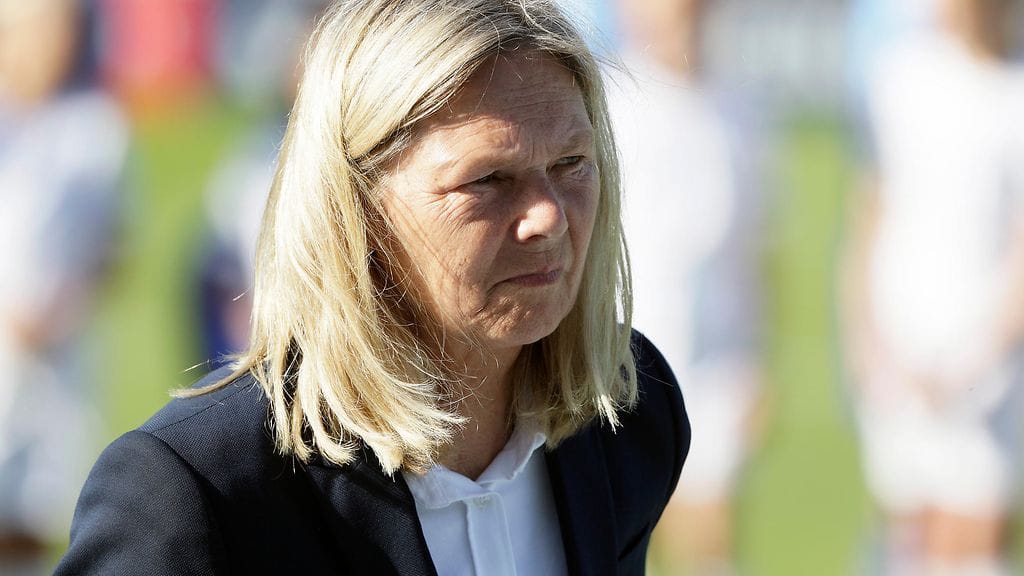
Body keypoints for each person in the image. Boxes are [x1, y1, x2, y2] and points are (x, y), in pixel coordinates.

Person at [56, 0, 690, 574]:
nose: (548, 216)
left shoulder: (631, 410)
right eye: (488, 179)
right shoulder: (194, 491)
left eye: (572, 163)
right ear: (355, 206)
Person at [842, 0, 1024, 573]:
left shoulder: (1014, 90)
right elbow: (870, 212)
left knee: (972, 536)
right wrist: (864, 336)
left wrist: (979, 357)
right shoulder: (900, 75)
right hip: (900, 351)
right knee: (908, 534)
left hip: (986, 365)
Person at [605, 0, 766, 573]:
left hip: (718, 355)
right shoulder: (609, 98)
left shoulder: (740, 108)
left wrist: (757, 356)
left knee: (709, 533)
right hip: (622, 352)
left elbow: (757, 246)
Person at [0, 0, 127, 573]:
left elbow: (115, 242)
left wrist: (69, 302)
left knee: (33, 514)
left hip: (57, 362)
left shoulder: (95, 129)